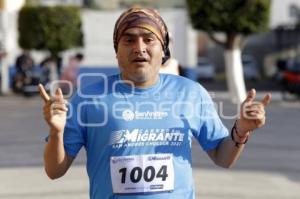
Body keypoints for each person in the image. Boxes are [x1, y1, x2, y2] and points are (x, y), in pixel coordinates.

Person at [39, 7, 271, 199]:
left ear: (163, 50)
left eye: (149, 39)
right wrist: (56, 132)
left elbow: (223, 157)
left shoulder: (190, 92)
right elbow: (54, 170)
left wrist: (241, 130)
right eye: (128, 40)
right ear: (116, 51)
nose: (139, 48)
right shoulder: (88, 98)